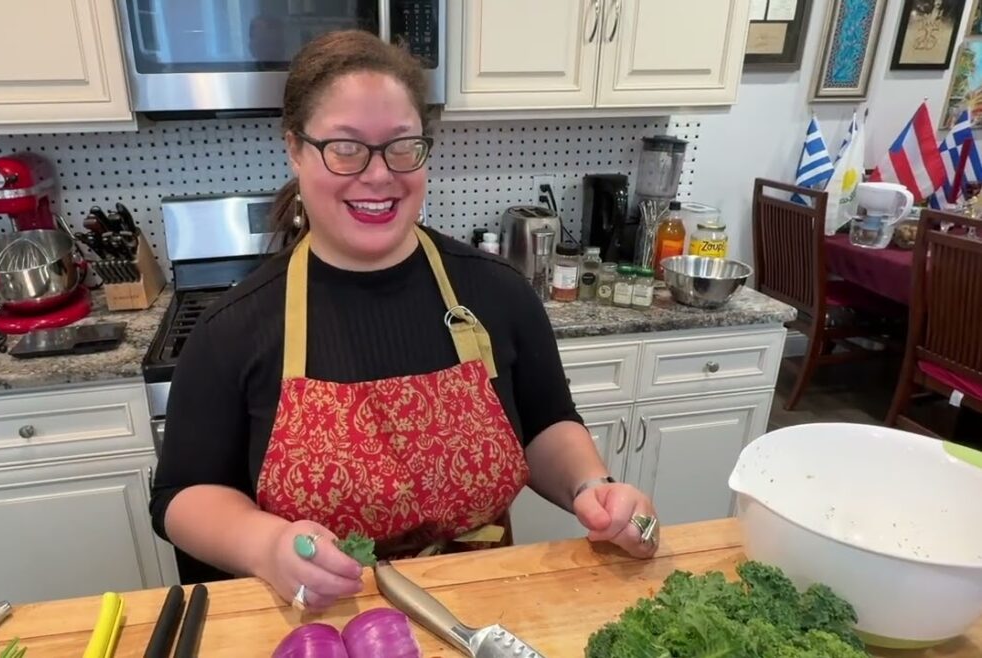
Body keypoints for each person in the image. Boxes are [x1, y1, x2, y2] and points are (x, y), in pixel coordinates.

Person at [150, 29, 660, 612]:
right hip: (327, 625)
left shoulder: (497, 293)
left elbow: (545, 425)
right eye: (345, 147)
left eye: (401, 146)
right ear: (294, 148)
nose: (378, 175)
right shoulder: (235, 329)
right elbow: (182, 496)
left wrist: (593, 488)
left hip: (483, 614)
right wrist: (265, 544)